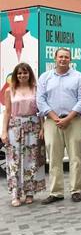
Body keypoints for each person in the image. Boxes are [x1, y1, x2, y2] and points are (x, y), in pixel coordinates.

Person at [36, 47, 81, 204]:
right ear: (55, 58)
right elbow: (40, 100)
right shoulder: (45, 77)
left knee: (76, 158)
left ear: (70, 59)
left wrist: (68, 118)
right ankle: (56, 192)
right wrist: (55, 118)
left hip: (74, 121)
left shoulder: (78, 77)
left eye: (66, 57)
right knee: (54, 158)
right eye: (60, 56)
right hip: (52, 122)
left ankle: (76, 190)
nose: (63, 59)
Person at [1, 63, 45, 206]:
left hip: (33, 126)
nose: (22, 75)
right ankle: (15, 194)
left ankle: (30, 192)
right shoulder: (10, 90)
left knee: (31, 160)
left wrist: (42, 128)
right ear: (15, 75)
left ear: (30, 74)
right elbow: (7, 112)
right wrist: (3, 131)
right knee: (14, 161)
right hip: (15, 127)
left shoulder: (36, 90)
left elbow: (41, 111)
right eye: (19, 73)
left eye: (25, 73)